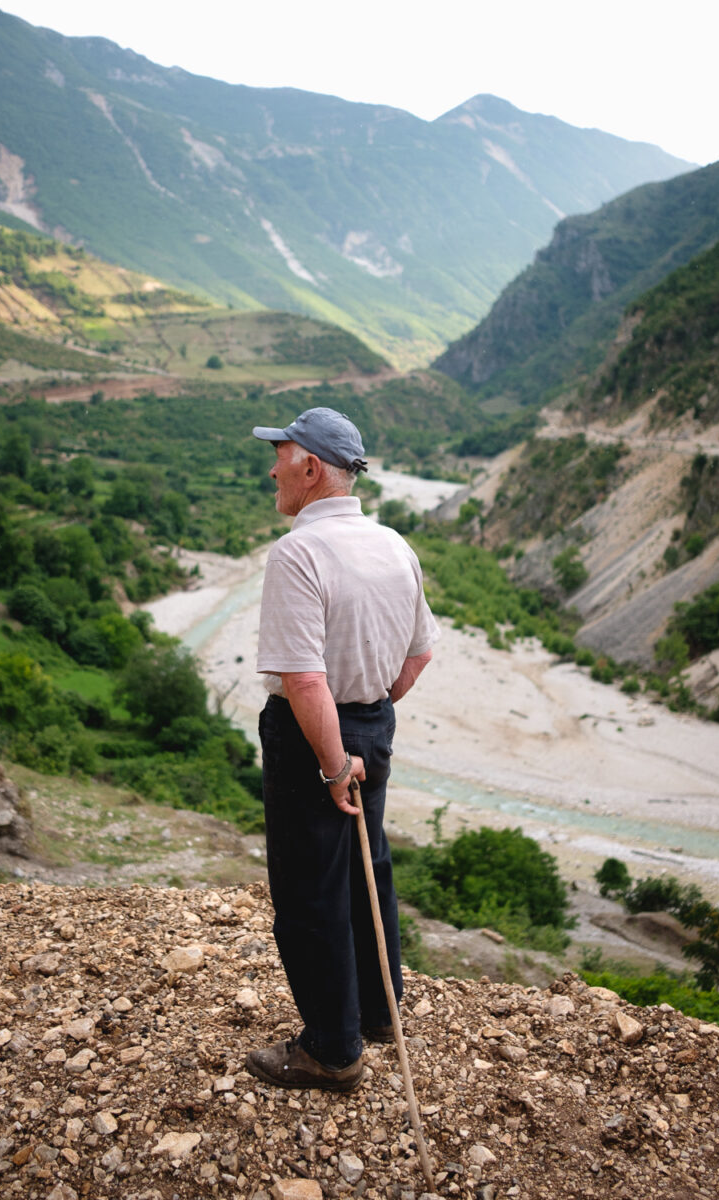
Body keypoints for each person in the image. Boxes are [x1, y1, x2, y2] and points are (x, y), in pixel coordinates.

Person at [246, 406, 439, 1092]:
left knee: (309, 890)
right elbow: (416, 658)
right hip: (373, 723)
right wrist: (364, 724)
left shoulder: (298, 553)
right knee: (368, 869)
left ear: (310, 467)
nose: (273, 467)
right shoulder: (394, 544)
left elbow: (301, 679)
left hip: (313, 744)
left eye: (283, 454)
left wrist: (333, 760)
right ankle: (382, 1013)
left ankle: (332, 1048)